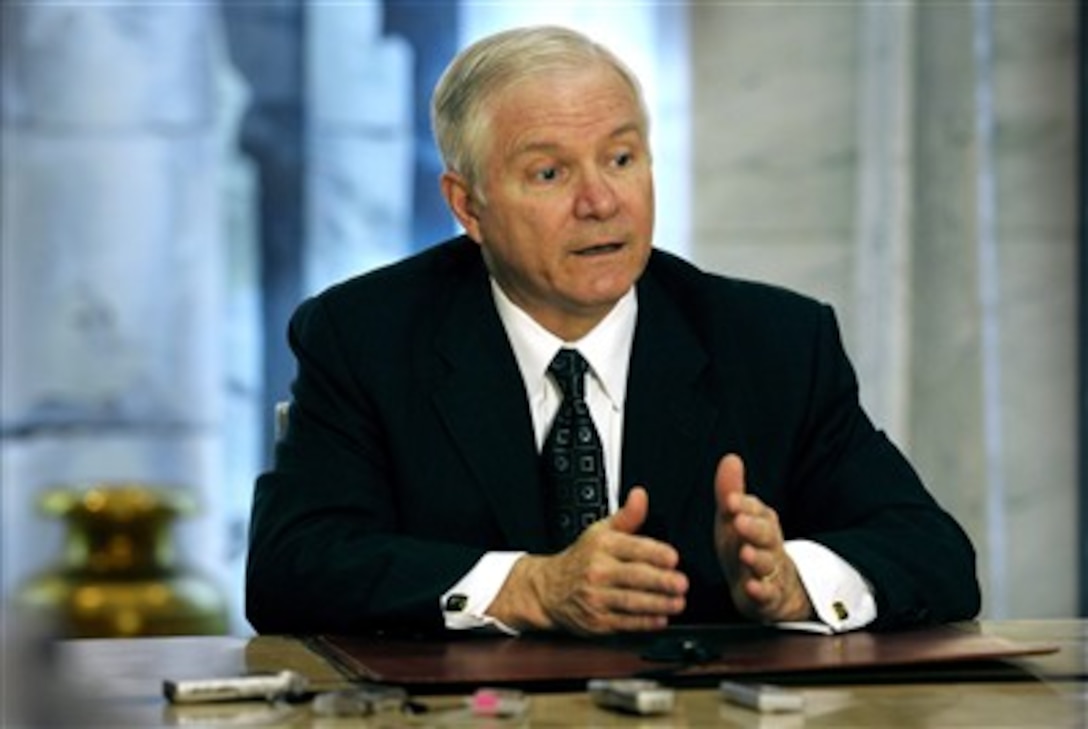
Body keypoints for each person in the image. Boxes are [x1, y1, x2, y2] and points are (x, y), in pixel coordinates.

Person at [246, 25, 980, 637]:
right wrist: (527, 586)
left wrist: (797, 582)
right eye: (549, 174)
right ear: (468, 207)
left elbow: (936, 556)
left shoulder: (775, 341)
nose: (601, 201)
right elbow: (292, 567)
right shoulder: (365, 336)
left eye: (621, 159)